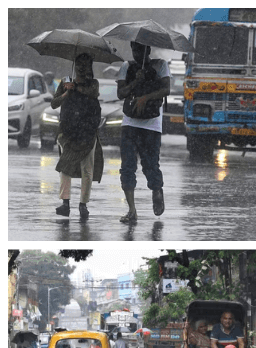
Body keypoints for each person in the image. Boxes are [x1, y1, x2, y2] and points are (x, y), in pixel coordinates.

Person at [116, 41, 170, 224]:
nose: (137, 53)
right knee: (128, 167)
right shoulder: (127, 67)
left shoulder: (160, 65)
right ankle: (132, 210)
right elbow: (120, 93)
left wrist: (145, 97)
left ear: (149, 49)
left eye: (141, 49)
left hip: (151, 125)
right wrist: (135, 82)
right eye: (134, 49)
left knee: (150, 165)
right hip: (130, 124)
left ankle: (157, 190)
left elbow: (166, 89)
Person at [51, 52, 104, 219]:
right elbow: (54, 103)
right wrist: (66, 92)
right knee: (65, 165)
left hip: (88, 132)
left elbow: (93, 93)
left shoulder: (93, 84)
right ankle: (65, 203)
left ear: (90, 66)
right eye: (79, 64)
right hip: (68, 132)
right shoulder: (65, 82)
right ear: (74, 64)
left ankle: (83, 204)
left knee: (87, 169)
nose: (81, 68)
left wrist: (77, 88)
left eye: (85, 64)